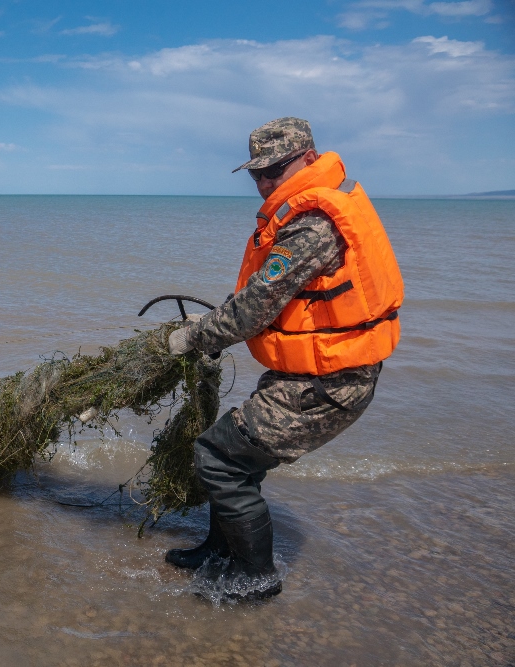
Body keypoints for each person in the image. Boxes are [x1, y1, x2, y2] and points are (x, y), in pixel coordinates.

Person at [164, 117, 404, 602]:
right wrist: (209, 336)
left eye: (275, 169)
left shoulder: (312, 226)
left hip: (332, 383)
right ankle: (221, 551)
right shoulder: (301, 214)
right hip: (308, 373)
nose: (266, 182)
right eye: (257, 173)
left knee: (218, 457)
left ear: (310, 159)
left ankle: (257, 578)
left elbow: (254, 307)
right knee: (234, 453)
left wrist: (193, 338)